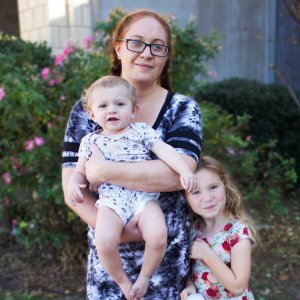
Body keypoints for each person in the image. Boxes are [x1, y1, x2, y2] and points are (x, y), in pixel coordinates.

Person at [61, 9, 202, 300]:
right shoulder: (87, 109)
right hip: (108, 264)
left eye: (157, 46)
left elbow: (178, 173)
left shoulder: (182, 109)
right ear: (118, 47)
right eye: (136, 42)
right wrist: (118, 232)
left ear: (166, 56)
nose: (146, 53)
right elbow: (73, 189)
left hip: (167, 263)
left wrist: (103, 171)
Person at [180, 156, 257, 300]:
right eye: (196, 192)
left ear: (225, 187)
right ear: (187, 200)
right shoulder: (193, 230)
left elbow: (238, 287)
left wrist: (207, 254)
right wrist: (189, 285)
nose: (207, 198)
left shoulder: (238, 232)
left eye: (213, 187)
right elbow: (191, 270)